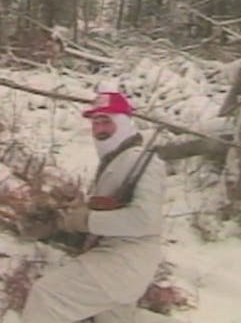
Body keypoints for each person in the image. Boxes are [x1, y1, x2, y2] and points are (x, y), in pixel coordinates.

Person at [21, 91, 181, 323]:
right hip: (120, 264)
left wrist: (86, 220)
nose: (100, 129)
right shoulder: (118, 161)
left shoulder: (143, 161)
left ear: (124, 122)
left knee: (48, 297)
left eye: (107, 121)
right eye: (95, 122)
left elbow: (144, 220)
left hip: (124, 261)